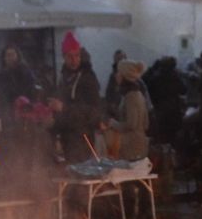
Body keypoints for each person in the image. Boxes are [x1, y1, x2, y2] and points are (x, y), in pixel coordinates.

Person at [51, 33, 103, 162]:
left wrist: (63, 108)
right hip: (67, 137)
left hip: (82, 137)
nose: (74, 60)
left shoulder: (87, 78)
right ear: (64, 57)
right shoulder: (64, 78)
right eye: (70, 56)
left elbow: (93, 112)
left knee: (81, 176)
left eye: (76, 55)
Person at [108, 59, 149, 161]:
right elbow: (146, 123)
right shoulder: (138, 94)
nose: (116, 75)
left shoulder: (131, 96)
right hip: (138, 144)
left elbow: (131, 124)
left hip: (132, 147)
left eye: (118, 72)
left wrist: (112, 123)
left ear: (124, 76)